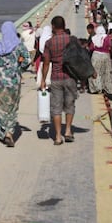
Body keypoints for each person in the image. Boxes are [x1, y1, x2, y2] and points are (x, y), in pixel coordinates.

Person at [0, 21, 30, 147]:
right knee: (12, 107)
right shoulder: (19, 46)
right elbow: (27, 60)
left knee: (0, 106)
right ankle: (9, 133)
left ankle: (2, 133)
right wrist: (19, 69)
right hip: (14, 81)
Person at [40, 16, 77, 145]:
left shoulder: (49, 43)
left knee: (56, 107)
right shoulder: (71, 40)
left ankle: (57, 137)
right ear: (64, 25)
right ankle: (67, 131)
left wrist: (43, 80)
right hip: (70, 77)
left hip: (55, 78)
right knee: (69, 105)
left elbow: (45, 63)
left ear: (53, 27)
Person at [88, 25, 112, 97]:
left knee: (95, 72)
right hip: (105, 56)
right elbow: (110, 46)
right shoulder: (107, 38)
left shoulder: (94, 38)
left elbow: (91, 48)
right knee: (105, 72)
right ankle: (105, 87)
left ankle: (96, 88)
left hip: (96, 55)